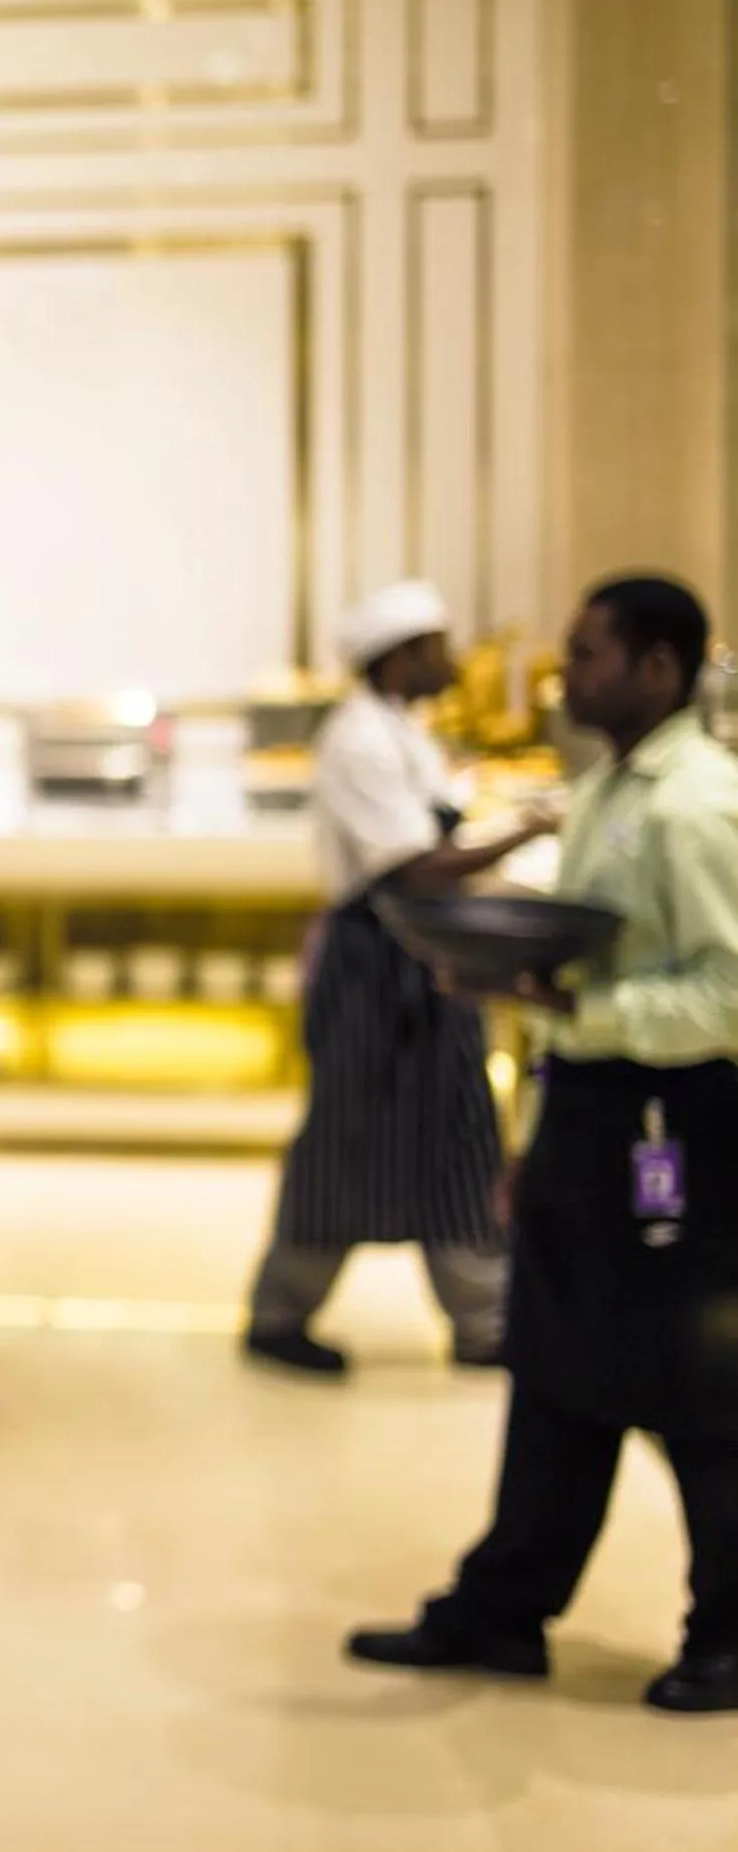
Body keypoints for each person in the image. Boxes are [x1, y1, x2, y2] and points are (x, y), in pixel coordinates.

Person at [349, 570, 738, 1716]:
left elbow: (727, 992)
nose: (567, 676)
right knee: (557, 1366)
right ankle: (505, 1608)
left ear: (661, 667)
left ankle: (728, 1633)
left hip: (679, 1127)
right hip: (594, 1112)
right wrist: (537, 1127)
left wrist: (580, 1016)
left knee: (699, 1392)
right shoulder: (611, 787)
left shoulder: (697, 806)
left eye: (592, 654)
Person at [243, 581, 555, 1375]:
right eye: (436, 648)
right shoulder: (358, 741)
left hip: (426, 963)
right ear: (400, 659)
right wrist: (528, 827)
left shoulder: (403, 731)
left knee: (459, 1140)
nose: (449, 663)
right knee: (346, 1139)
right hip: (374, 971)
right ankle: (279, 1315)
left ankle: (484, 1322)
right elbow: (414, 865)